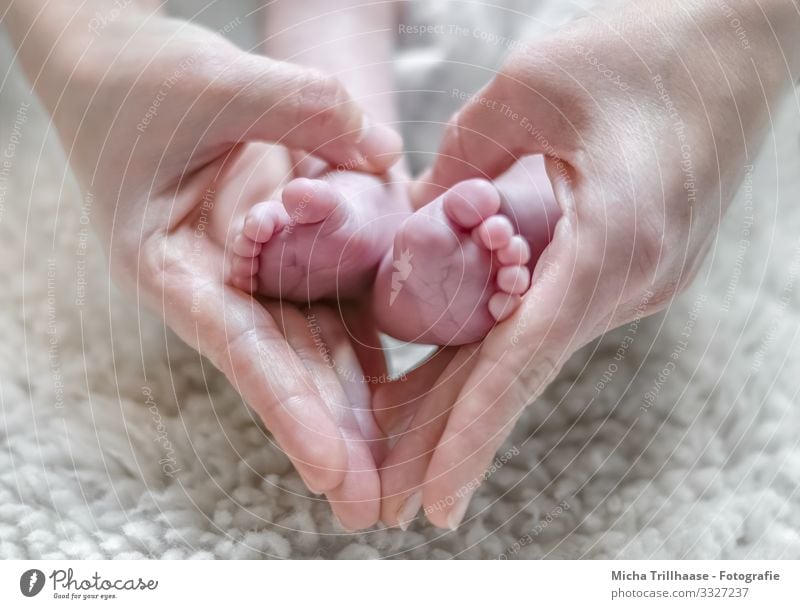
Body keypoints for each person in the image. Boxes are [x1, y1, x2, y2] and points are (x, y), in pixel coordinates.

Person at [376, 0, 800, 530]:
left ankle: (500, 215)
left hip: (624, 68)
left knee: (586, 138)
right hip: (439, 77)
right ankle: (361, 198)